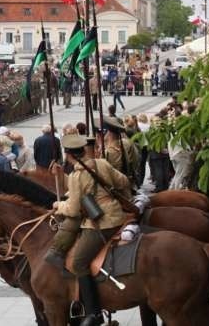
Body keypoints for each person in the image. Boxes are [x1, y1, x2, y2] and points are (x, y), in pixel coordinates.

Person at [49, 134, 131, 326]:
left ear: (69, 155)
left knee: (78, 262)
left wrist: (57, 205)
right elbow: (124, 182)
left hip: (101, 224)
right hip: (117, 215)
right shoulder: (101, 163)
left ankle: (94, 313)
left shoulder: (78, 176)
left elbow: (73, 209)